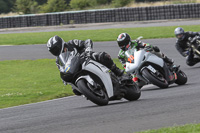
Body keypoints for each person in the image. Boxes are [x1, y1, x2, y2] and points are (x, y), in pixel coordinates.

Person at [47, 35, 124, 95]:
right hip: (76, 69)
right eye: (52, 51)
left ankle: (117, 72)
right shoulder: (58, 60)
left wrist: (87, 49)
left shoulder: (71, 43)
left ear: (60, 44)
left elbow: (87, 42)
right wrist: (64, 79)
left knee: (102, 56)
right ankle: (91, 91)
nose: (54, 51)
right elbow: (62, 69)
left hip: (86, 59)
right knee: (75, 91)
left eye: (55, 49)